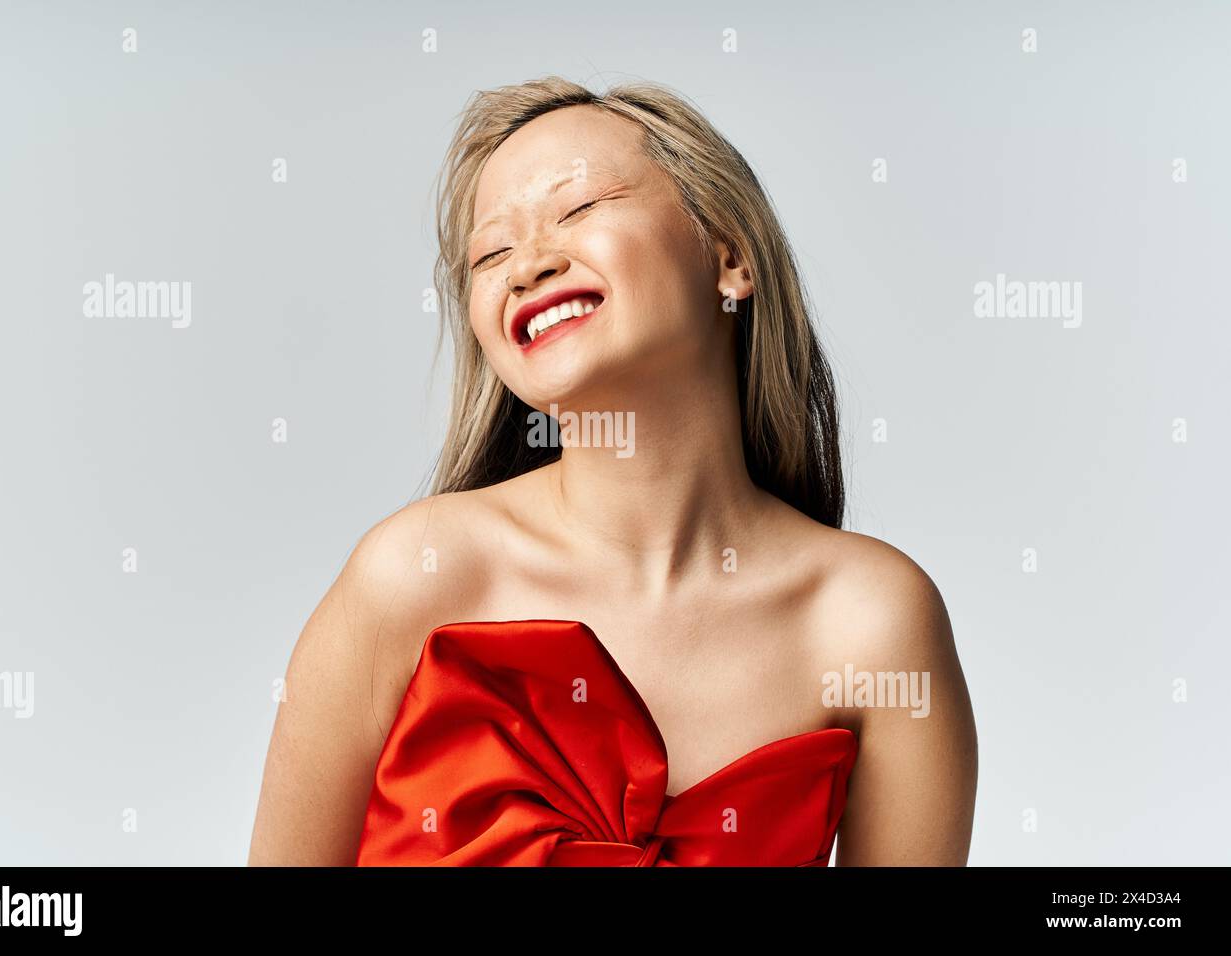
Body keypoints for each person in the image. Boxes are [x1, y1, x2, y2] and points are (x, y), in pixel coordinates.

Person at [248, 76, 978, 866]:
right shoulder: (413, 577)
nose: (524, 265)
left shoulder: (873, 622)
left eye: (578, 207)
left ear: (730, 256)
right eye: (490, 254)